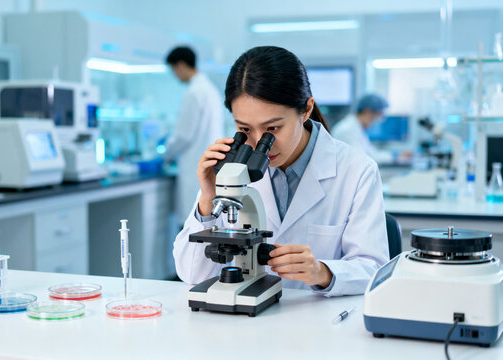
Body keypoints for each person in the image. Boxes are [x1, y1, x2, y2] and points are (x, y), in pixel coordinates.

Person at [173, 46, 389, 296]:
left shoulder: (357, 170)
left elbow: (374, 270)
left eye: (272, 129)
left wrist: (322, 271)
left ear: (306, 109)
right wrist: (208, 198)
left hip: (319, 324)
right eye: (244, 129)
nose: (257, 143)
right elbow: (191, 273)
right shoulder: (232, 169)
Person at [163, 46, 224, 222]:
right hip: (210, 164)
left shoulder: (194, 92)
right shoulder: (210, 90)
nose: (175, 75)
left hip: (195, 167)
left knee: (194, 225)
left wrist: (164, 154)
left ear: (181, 65)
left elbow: (183, 136)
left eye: (174, 70)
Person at [332, 94, 395, 164]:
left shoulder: (358, 128)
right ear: (367, 112)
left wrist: (394, 155)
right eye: (379, 115)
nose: (378, 120)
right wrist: (393, 157)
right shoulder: (346, 130)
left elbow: (371, 152)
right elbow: (363, 158)